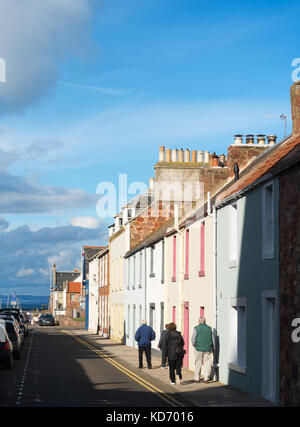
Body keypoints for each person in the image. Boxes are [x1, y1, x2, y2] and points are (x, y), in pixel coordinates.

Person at [191, 317, 215, 384]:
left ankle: (197, 379)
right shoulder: (210, 329)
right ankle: (206, 378)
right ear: (205, 321)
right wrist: (213, 348)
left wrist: (195, 346)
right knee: (207, 363)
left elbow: (193, 339)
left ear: (199, 321)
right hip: (208, 349)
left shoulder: (196, 328)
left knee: (198, 363)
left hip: (198, 349)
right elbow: (213, 340)